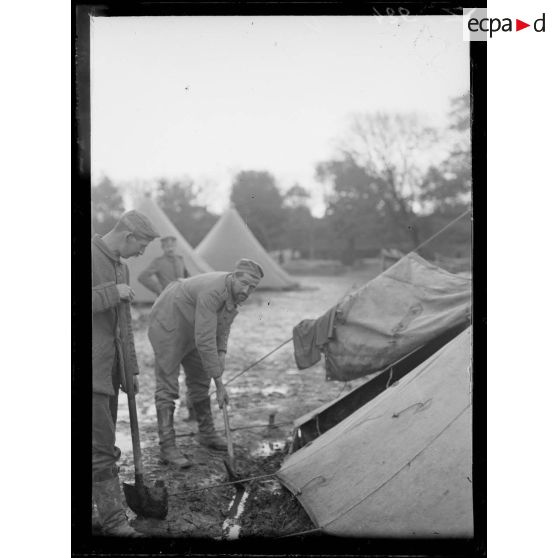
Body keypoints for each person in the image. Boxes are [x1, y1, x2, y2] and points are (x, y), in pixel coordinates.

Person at [147, 259, 264, 469]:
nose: (247, 290)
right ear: (234, 276)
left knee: (200, 377)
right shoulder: (213, 291)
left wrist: (222, 354)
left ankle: (207, 433)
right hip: (168, 324)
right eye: (244, 283)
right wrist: (220, 385)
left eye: (252, 287)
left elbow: (223, 329)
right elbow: (205, 339)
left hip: (193, 324)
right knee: (168, 386)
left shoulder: (235, 293)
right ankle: (167, 446)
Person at [91, 210, 159, 536]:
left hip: (110, 372)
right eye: (142, 245)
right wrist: (109, 294)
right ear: (128, 235)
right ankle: (115, 523)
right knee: (101, 448)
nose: (142, 253)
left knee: (97, 445)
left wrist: (130, 369)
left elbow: (126, 325)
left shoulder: (123, 268)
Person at [138, 235, 196, 421]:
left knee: (193, 356)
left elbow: (189, 279)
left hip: (184, 305)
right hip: (167, 305)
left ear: (176, 246)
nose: (170, 247)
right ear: (162, 247)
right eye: (167, 245)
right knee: (170, 349)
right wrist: (160, 290)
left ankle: (193, 409)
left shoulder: (180, 260)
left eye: (173, 244)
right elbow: (143, 276)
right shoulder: (158, 261)